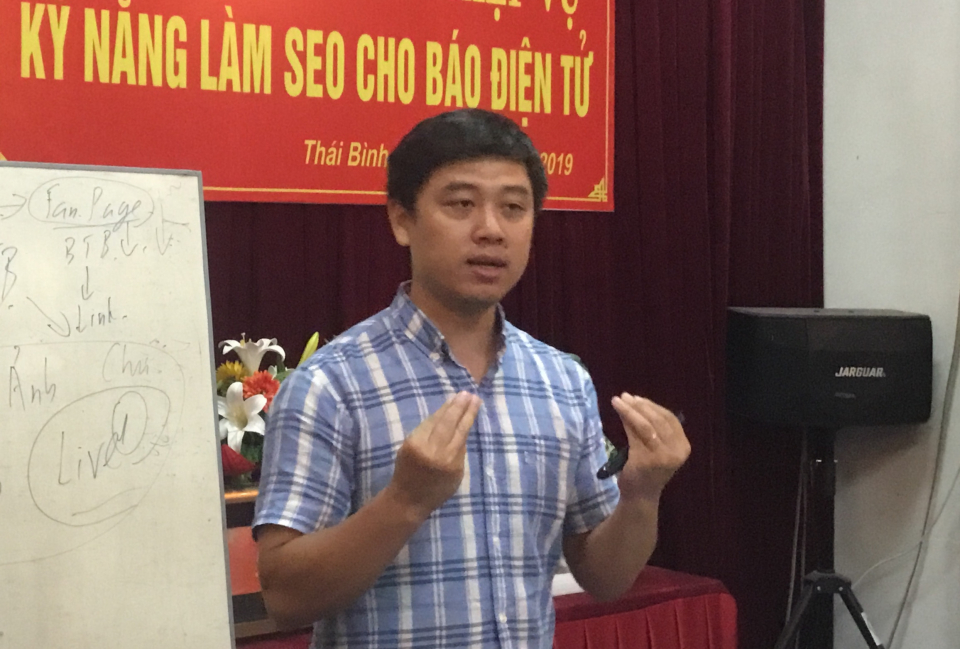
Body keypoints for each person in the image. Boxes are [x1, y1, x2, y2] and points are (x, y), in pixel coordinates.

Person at [252, 108, 691, 648]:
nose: (491, 230)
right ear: (401, 220)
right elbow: (285, 597)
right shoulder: (330, 385)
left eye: (514, 208)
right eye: (461, 204)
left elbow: (605, 578)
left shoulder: (560, 380)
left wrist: (642, 496)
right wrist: (404, 500)